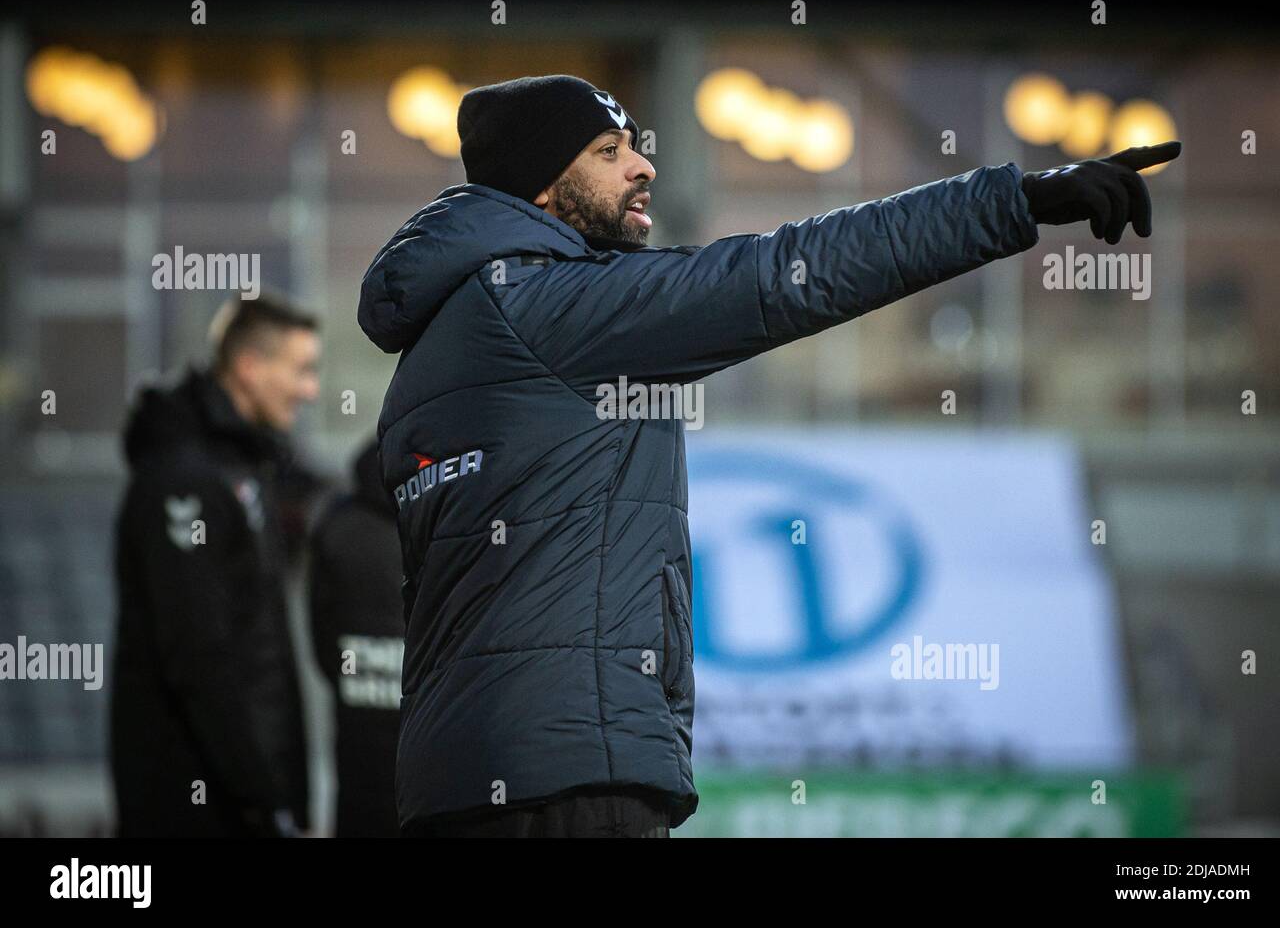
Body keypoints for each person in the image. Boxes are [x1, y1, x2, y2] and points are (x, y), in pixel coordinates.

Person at [357, 74, 1181, 837]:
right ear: (541, 187)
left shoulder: (442, 340)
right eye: (608, 155)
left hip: (459, 778)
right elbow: (789, 273)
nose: (641, 167)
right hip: (570, 772)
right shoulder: (554, 309)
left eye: (637, 144)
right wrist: (1018, 200)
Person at [110, 294, 321, 837]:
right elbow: (198, 656)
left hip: (241, 798)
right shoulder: (185, 478)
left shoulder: (247, 465)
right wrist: (262, 796)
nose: (311, 389)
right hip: (198, 806)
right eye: (301, 370)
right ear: (249, 367)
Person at [308, 440, 405, 837]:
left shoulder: (337, 524)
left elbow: (321, 635)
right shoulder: (436, 520)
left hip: (356, 732)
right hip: (427, 745)